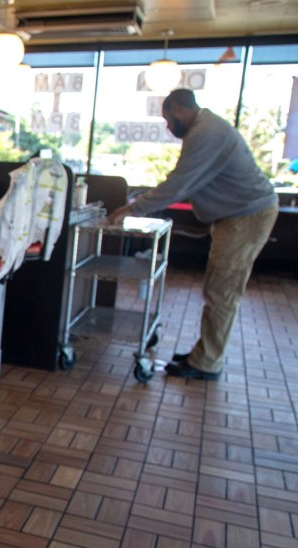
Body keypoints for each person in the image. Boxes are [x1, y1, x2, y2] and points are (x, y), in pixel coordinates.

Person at [108, 88, 278, 381]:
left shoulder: (205, 133)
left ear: (177, 109)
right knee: (217, 287)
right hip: (239, 216)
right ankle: (204, 354)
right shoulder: (206, 127)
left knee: (222, 290)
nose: (168, 127)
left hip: (246, 216)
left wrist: (133, 208)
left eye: (167, 119)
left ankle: (207, 363)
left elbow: (178, 184)